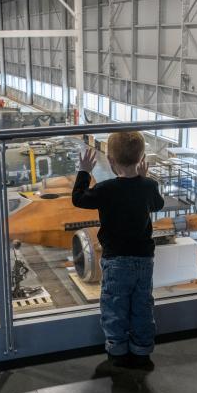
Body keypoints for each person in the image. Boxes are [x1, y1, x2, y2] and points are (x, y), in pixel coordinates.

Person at [72, 132, 165, 372]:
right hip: (144, 259)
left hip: (116, 261)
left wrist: (84, 171)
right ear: (141, 157)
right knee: (142, 304)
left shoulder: (106, 189)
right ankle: (142, 350)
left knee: (115, 305)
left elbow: (79, 199)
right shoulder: (149, 185)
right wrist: (145, 178)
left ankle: (117, 350)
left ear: (110, 161)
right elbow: (157, 204)